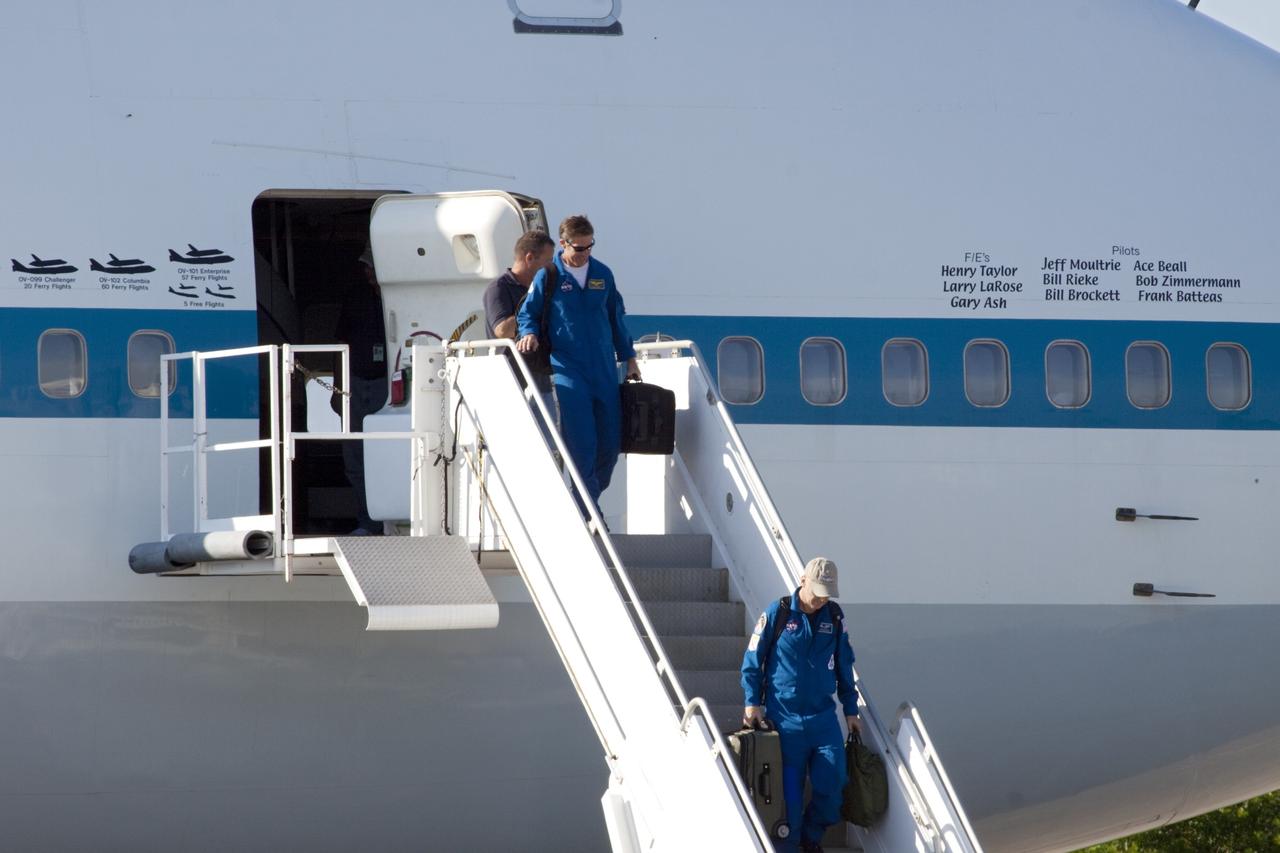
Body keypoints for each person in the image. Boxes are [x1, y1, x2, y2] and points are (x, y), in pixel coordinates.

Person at [516, 215, 639, 514]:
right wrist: (529, 332)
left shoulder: (603, 274)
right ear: (563, 243)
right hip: (568, 368)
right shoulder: (549, 275)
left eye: (589, 247)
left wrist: (629, 357)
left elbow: (616, 319)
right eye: (579, 247)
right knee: (582, 443)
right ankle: (588, 513)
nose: (585, 253)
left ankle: (589, 498)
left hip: (603, 367)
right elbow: (527, 313)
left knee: (610, 446)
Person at [741, 558, 861, 852]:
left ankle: (812, 838)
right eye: (818, 591)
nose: (821, 599)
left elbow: (844, 664)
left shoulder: (833, 617)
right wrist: (752, 702)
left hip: (823, 720)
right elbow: (753, 660)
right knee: (789, 797)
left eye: (827, 593)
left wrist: (850, 707)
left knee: (833, 783)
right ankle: (790, 845)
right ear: (802, 580)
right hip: (786, 721)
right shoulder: (778, 613)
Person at [334, 247, 388, 536]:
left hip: (388, 385)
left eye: (373, 266)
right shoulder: (356, 297)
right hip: (355, 383)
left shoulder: (396, 296)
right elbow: (340, 344)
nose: (369, 272)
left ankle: (387, 520)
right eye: (366, 267)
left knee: (385, 454)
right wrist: (337, 387)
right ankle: (367, 521)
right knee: (355, 457)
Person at [483, 229, 557, 415]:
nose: (551, 267)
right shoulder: (498, 288)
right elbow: (501, 330)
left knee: (548, 441)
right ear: (530, 258)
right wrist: (531, 310)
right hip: (512, 382)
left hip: (541, 380)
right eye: (548, 261)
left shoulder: (546, 288)